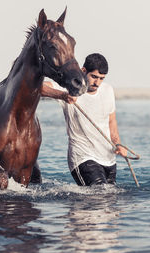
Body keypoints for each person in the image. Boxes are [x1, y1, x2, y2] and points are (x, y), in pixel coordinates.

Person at [41, 53, 127, 186]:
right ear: (83, 71)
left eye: (101, 78)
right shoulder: (69, 88)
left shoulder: (108, 90)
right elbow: (38, 87)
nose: (97, 82)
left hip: (108, 159)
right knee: (99, 195)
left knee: (109, 200)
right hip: (82, 157)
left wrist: (118, 144)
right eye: (94, 77)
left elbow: (111, 122)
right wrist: (62, 96)